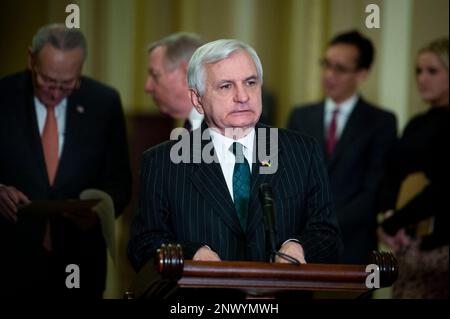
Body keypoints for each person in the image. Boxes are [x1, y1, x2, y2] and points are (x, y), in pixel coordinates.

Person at [128, 38, 342, 282]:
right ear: (197, 100)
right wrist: (191, 254)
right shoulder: (162, 162)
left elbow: (328, 235)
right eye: (226, 86)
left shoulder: (302, 152)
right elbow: (142, 245)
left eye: (250, 83)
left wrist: (298, 247)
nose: (242, 96)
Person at [0, 24, 132, 298]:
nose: (56, 92)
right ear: (31, 60)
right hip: (10, 259)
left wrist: (96, 213)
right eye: (48, 80)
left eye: (67, 83)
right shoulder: (4, 96)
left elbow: (120, 184)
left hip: (80, 263)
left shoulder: (103, 103)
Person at [287, 30, 397, 264]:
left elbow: (373, 189)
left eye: (340, 68)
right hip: (301, 246)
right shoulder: (301, 116)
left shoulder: (381, 122)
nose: (329, 75)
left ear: (362, 74)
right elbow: (288, 178)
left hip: (353, 245)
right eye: (326, 65)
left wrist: (324, 224)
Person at [378, 38, 449, 299]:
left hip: (440, 246)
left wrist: (395, 223)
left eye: (432, 71)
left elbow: (442, 187)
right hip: (407, 244)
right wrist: (387, 217)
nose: (422, 79)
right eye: (418, 71)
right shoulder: (417, 123)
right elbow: (392, 171)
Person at [145, 32, 205, 130]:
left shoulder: (221, 131)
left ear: (187, 75)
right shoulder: (194, 126)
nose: (148, 87)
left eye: (155, 75)